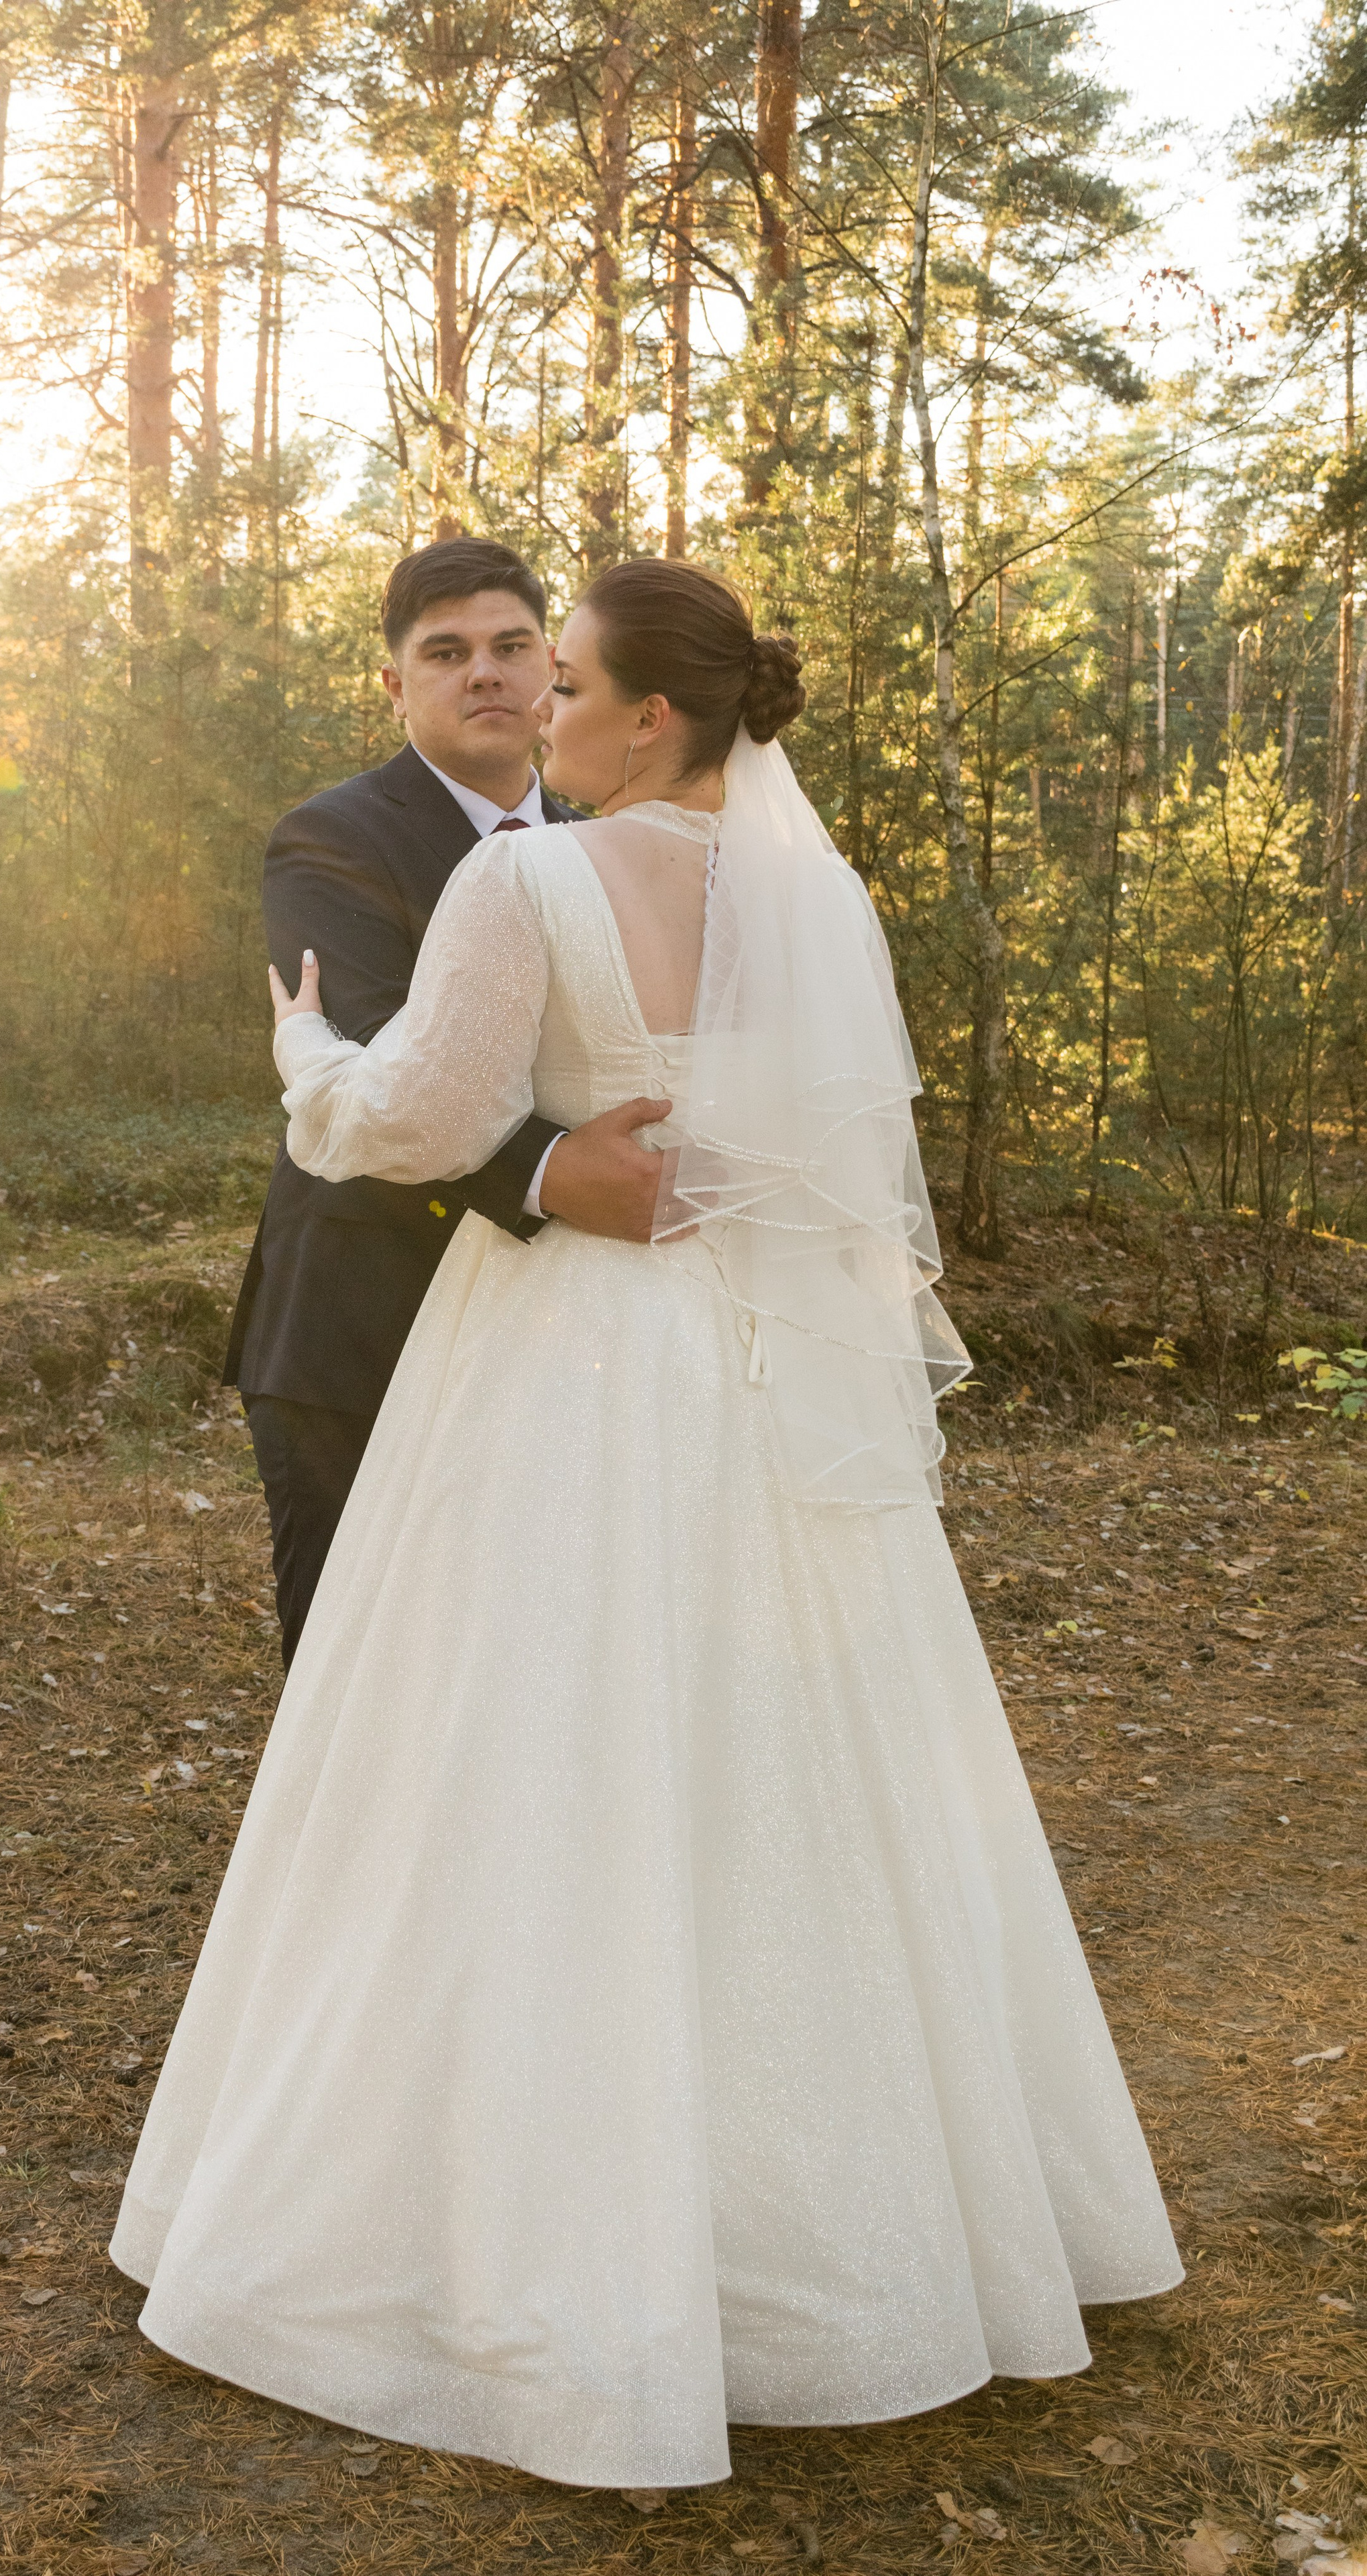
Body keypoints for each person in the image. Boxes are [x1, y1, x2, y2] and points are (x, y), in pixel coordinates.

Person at [114, 559, 1181, 2493]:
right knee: (787, 1764)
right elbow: (830, 1165)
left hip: (566, 1369)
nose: (543, 708)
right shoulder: (816, 898)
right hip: (760, 1365)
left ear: (644, 717)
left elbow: (420, 1118)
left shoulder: (529, 878)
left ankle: (504, 2223)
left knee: (513, 1751)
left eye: (569, 677)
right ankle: (871, 2236)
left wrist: (303, 1070)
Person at [223, 535, 673, 1668]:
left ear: (555, 668)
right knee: (359, 1670)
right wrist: (549, 1168)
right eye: (448, 652)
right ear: (395, 684)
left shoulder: (606, 843)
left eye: (513, 647)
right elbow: (378, 1061)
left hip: (556, 1328)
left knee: (515, 1677)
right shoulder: (334, 838)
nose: (486, 673)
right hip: (362, 1322)